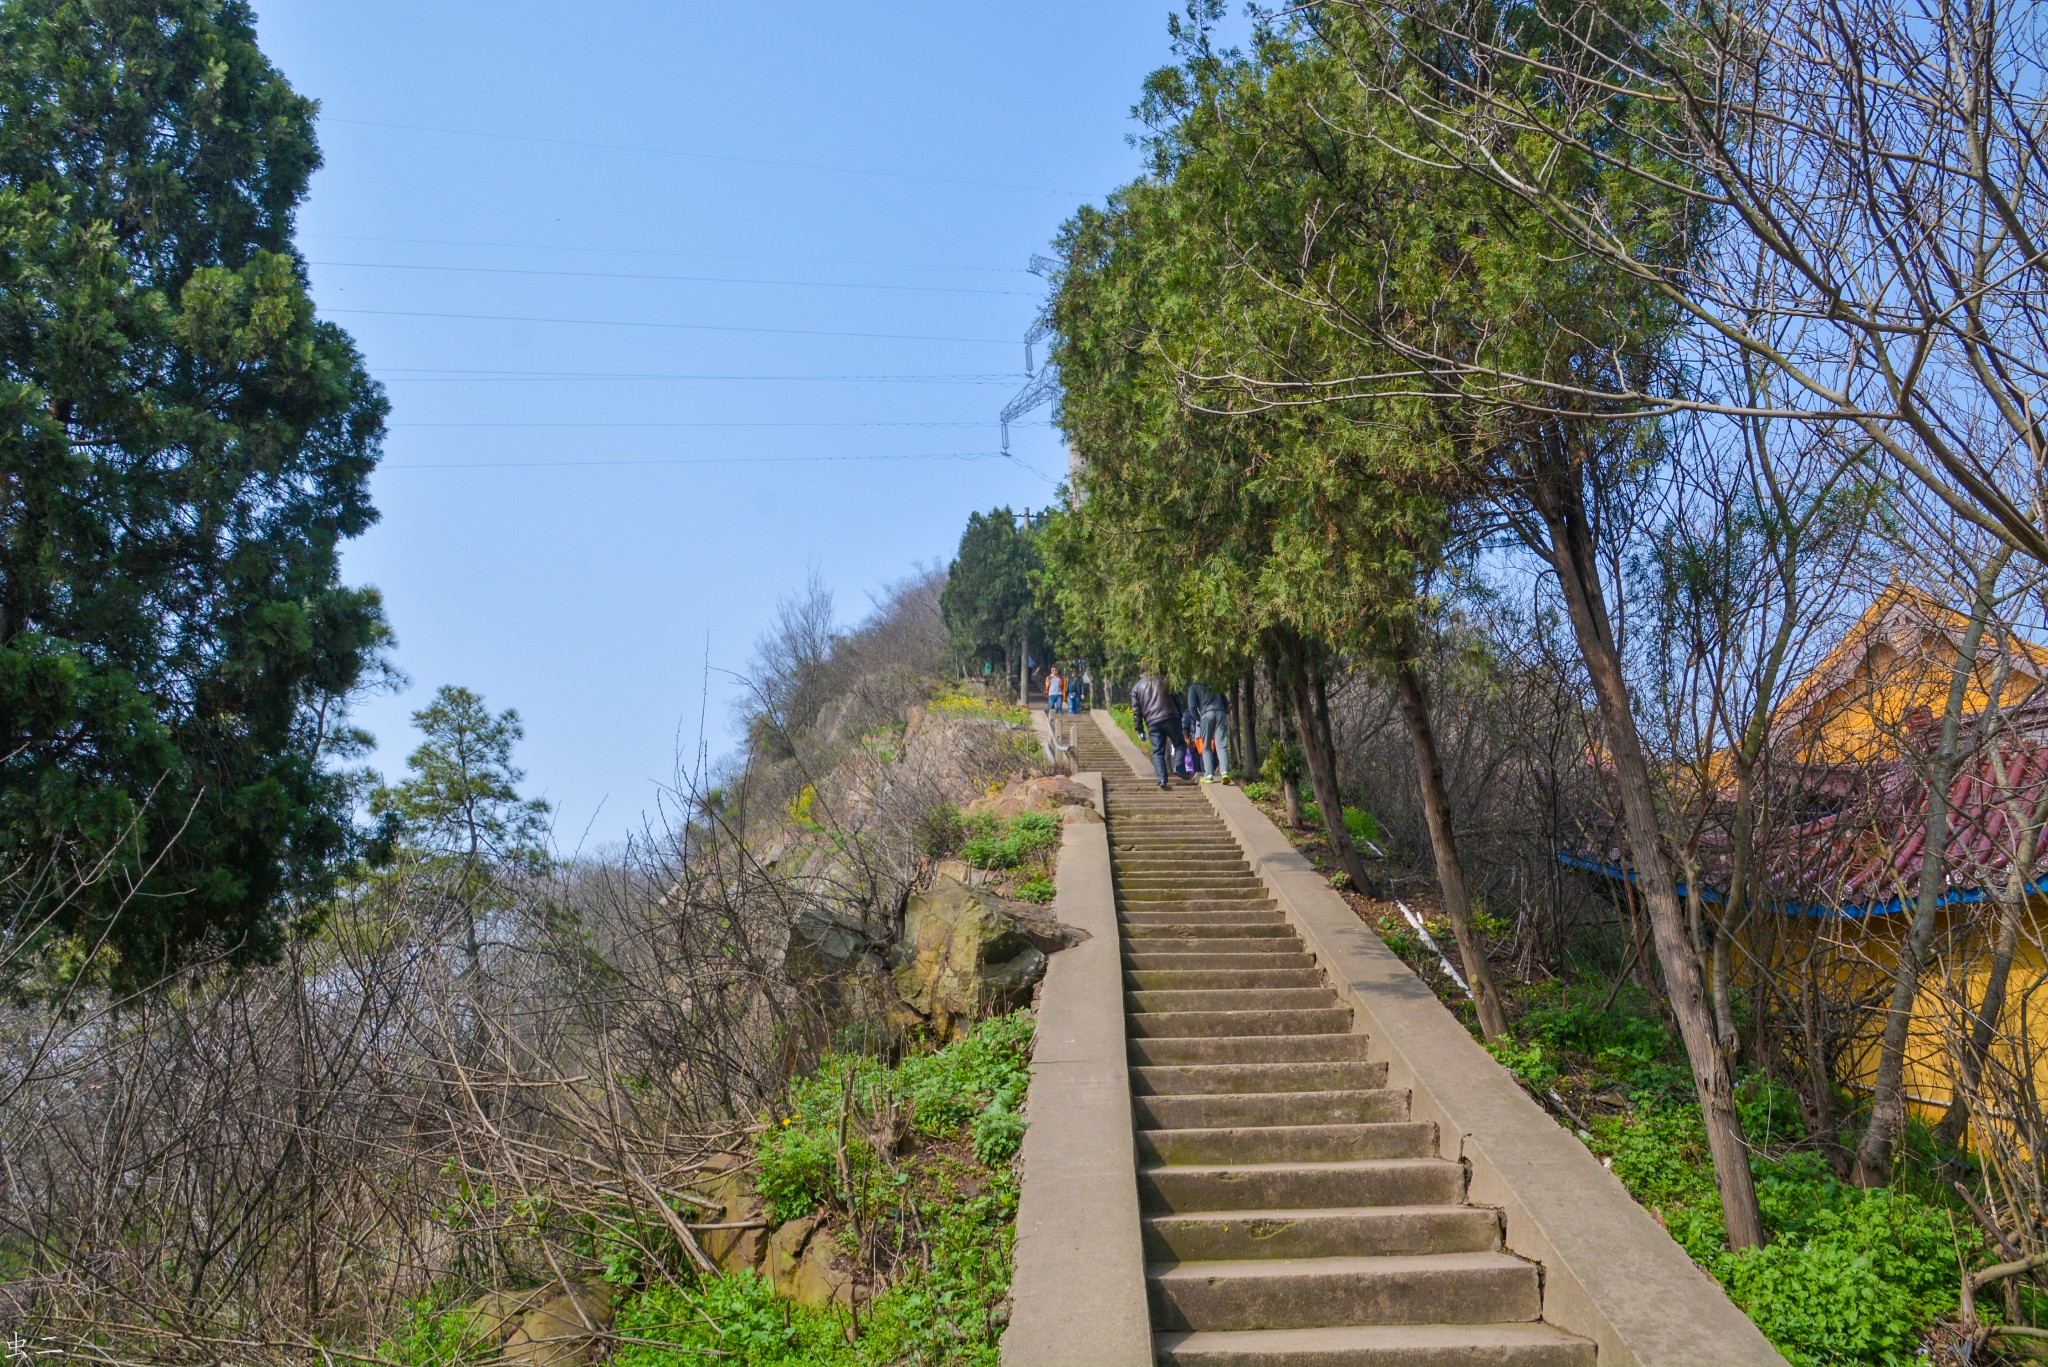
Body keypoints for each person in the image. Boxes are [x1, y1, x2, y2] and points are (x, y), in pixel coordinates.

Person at [1128, 666, 1180, 789]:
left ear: (1141, 674)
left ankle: (1162, 779)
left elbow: (1136, 711)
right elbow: (1177, 699)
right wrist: (1179, 715)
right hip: (1170, 717)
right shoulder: (1164, 680)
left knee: (1157, 752)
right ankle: (1179, 768)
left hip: (1152, 722)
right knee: (1179, 743)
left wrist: (1140, 730)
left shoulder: (1136, 687)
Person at [1186, 680, 1232, 782]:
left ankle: (1209, 775)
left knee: (1206, 746)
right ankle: (1224, 772)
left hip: (1206, 715)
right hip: (1221, 714)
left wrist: (1198, 718)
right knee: (1221, 746)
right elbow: (1228, 705)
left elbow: (1192, 707)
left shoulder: (1193, 687)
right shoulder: (1216, 683)